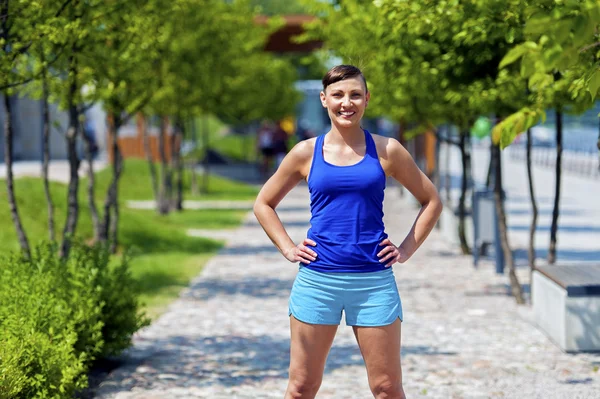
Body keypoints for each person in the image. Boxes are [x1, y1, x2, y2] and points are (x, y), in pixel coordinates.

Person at [253, 65, 443, 399]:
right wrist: (287, 247)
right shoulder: (305, 152)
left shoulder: (388, 150)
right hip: (317, 282)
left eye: (355, 94)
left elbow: (431, 201)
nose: (347, 102)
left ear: (366, 99)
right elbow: (264, 203)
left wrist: (406, 249)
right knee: (300, 388)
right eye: (338, 95)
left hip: (373, 283)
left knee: (386, 388)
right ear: (324, 99)